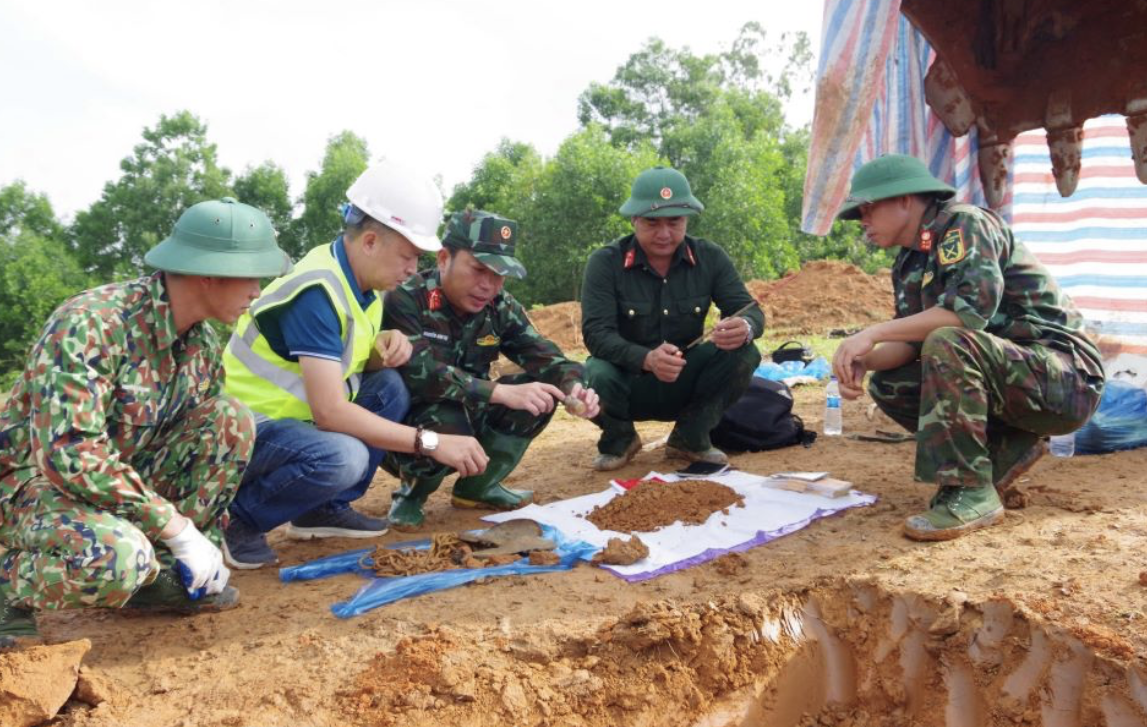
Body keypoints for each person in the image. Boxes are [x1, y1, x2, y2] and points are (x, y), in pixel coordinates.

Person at [0, 198, 292, 651]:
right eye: (252, 276)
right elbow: (70, 454)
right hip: (30, 484)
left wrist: (201, 540)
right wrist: (175, 527)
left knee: (230, 420)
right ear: (210, 273)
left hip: (119, 476)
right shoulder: (92, 323)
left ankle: (155, 577)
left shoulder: (199, 340)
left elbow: (195, 449)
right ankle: (9, 585)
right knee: (118, 558)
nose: (258, 290)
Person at [221, 167, 488, 566]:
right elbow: (329, 412)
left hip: (294, 421)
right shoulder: (318, 292)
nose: (414, 268)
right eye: (409, 255)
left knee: (389, 387)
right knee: (344, 457)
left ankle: (320, 509)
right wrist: (433, 442)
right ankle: (236, 520)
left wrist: (382, 349)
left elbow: (347, 360)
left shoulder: (364, 281)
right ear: (369, 241)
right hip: (242, 429)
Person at [831, 154, 1106, 541]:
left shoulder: (965, 224)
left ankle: (971, 490)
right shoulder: (911, 260)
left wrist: (874, 331)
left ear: (905, 200)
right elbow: (912, 343)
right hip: (1015, 372)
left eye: (868, 208)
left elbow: (966, 317)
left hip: (1066, 377)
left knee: (948, 342)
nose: (862, 220)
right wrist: (867, 359)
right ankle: (1004, 449)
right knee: (890, 382)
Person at [380, 209, 600, 527]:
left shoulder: (500, 307)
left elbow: (545, 357)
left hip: (471, 413)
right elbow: (421, 373)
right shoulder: (408, 298)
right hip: (409, 431)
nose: (488, 285)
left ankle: (477, 487)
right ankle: (411, 494)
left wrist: (573, 386)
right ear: (444, 259)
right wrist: (499, 392)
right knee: (448, 416)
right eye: (478, 269)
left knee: (538, 397)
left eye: (498, 275)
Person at [580, 167, 764, 471]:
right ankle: (619, 438)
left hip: (686, 380)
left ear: (687, 219)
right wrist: (646, 358)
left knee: (745, 351)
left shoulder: (710, 257)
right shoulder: (605, 262)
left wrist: (745, 327)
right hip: (628, 382)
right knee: (593, 372)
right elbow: (596, 333)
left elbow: (750, 309)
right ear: (634, 219)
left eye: (674, 221)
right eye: (652, 222)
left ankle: (690, 437)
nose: (664, 234)